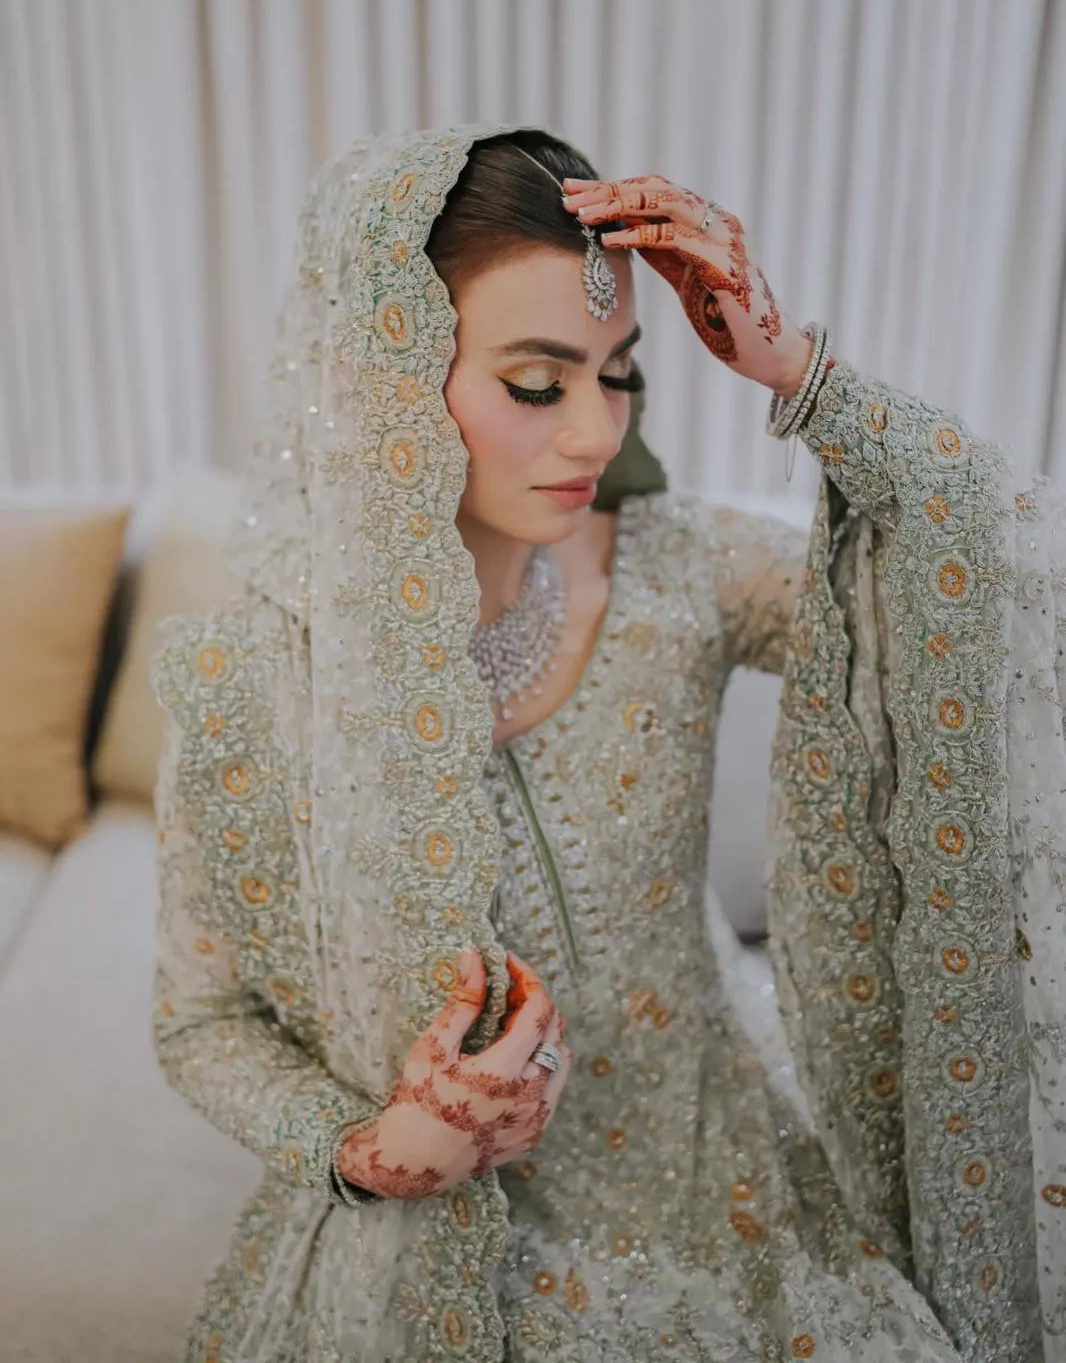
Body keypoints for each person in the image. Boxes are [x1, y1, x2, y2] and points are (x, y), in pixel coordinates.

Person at [149, 123, 1063, 1362]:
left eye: (617, 371)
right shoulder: (249, 685)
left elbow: (990, 591)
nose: (591, 431)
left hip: (716, 1160)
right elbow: (199, 1023)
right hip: (447, 1231)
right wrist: (366, 1152)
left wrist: (801, 374)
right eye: (538, 382)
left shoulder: (675, 570)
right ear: (381, 376)